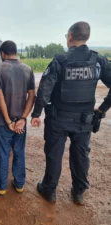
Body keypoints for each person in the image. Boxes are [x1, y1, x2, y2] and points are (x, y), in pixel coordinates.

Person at [31, 21, 111, 205]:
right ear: (87, 37)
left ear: (70, 37)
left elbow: (44, 90)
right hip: (84, 120)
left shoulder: (60, 61)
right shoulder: (98, 61)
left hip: (58, 118)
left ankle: (49, 190)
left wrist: (36, 114)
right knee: (81, 154)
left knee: (54, 154)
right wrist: (102, 109)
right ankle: (79, 192)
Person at [0, 41, 35, 195]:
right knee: (19, 151)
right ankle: (19, 184)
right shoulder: (27, 69)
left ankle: (1, 186)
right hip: (21, 122)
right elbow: (31, 96)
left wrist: (8, 121)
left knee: (3, 153)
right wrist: (22, 119)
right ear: (15, 52)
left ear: (2, 54)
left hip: (4, 122)